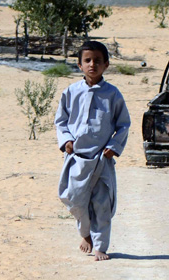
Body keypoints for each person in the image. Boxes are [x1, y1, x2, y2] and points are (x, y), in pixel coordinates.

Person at [54, 41, 130, 261]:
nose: (92, 65)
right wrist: (66, 140)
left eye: (98, 60)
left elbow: (123, 124)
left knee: (101, 203)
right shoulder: (70, 92)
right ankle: (85, 233)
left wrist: (114, 147)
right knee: (74, 199)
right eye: (87, 60)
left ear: (106, 64)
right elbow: (61, 121)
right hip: (76, 158)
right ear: (79, 65)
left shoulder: (113, 94)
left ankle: (100, 246)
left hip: (101, 159)